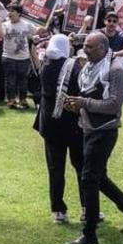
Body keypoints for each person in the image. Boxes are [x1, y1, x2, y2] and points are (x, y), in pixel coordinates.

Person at [61, 31, 123, 244]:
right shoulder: (89, 67)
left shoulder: (116, 71)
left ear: (102, 48)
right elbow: (89, 99)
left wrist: (84, 103)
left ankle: (89, 232)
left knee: (88, 178)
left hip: (105, 131)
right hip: (88, 128)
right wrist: (76, 107)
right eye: (85, 46)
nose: (84, 50)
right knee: (99, 178)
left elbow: (113, 105)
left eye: (89, 47)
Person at [37, 34, 84, 224]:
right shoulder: (73, 67)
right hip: (72, 124)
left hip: (50, 124)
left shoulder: (45, 66)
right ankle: (87, 207)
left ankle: (58, 210)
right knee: (81, 167)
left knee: (55, 168)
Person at [1, 4, 33, 109]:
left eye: (12, 11)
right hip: (8, 57)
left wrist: (46, 21)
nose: (9, 13)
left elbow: (36, 32)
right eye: (8, 11)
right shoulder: (5, 24)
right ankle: (11, 100)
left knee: (23, 80)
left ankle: (23, 100)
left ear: (19, 13)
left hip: (24, 58)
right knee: (10, 80)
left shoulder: (26, 24)